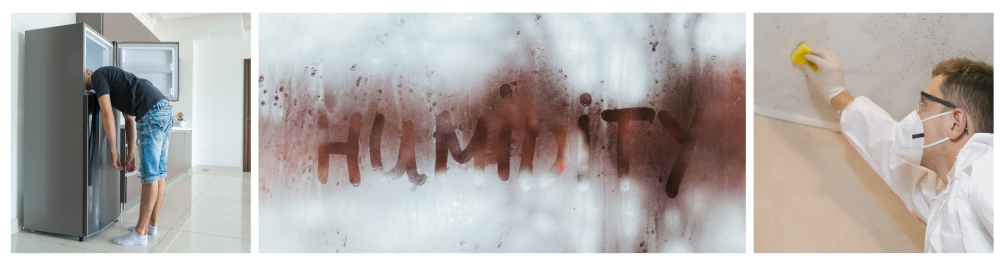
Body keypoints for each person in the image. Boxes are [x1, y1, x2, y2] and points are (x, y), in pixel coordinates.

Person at [797, 50, 993, 252]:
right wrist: (837, 94)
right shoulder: (946, 197)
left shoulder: (989, 169)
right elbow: (890, 151)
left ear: (955, 123)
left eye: (924, 105)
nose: (915, 116)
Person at [85, 66, 172, 246]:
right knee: (159, 172)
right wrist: (130, 152)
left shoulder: (99, 76)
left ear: (87, 71)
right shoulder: (113, 82)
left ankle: (140, 234)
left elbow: (108, 114)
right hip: (163, 108)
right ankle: (150, 226)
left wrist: (113, 150)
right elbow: (129, 119)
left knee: (151, 176)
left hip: (151, 113)